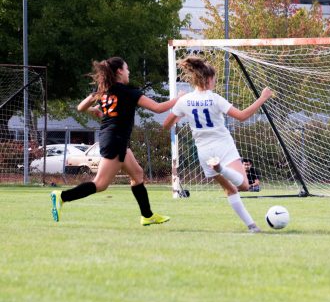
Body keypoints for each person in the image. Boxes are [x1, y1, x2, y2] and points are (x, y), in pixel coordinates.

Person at [50, 57, 182, 226]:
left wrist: (95, 110)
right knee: (100, 184)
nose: (129, 72)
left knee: (137, 174)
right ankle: (61, 196)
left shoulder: (103, 90)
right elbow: (158, 108)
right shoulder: (129, 92)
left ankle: (147, 215)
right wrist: (179, 98)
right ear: (119, 71)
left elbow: (80, 107)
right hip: (115, 140)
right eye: (127, 69)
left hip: (113, 138)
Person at [162, 56, 273, 233]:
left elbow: (166, 125)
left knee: (230, 189)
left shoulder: (185, 100)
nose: (215, 82)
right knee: (244, 185)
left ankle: (252, 226)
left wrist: (180, 107)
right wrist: (262, 98)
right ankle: (221, 168)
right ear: (208, 79)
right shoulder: (215, 98)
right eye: (214, 79)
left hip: (204, 152)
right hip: (223, 145)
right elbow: (242, 116)